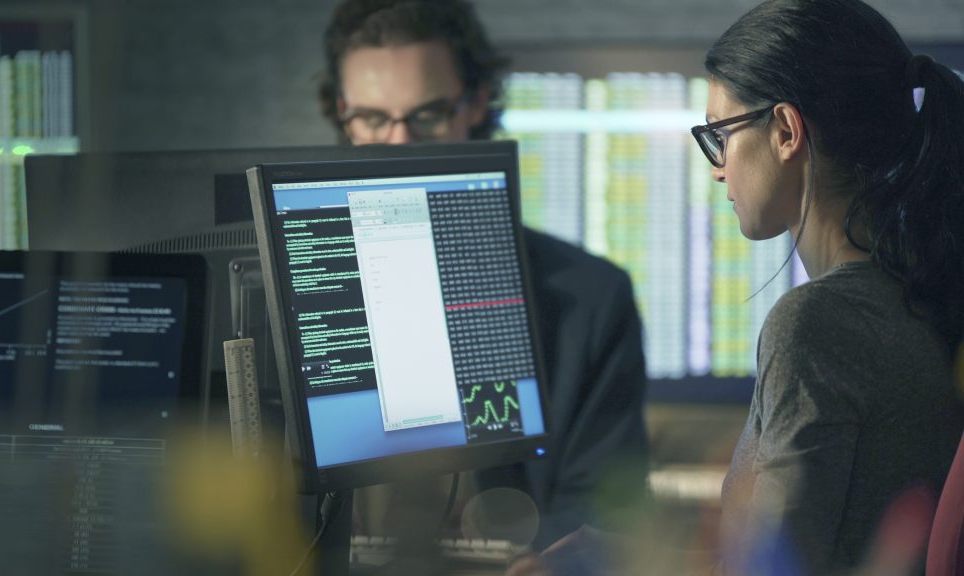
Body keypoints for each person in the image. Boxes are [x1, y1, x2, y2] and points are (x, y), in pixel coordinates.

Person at [512, 0, 964, 574]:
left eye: (720, 134)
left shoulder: (816, 326)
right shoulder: (918, 292)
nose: (718, 167)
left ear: (784, 131)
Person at [317, 0, 650, 549]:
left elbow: (603, 519)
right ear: (341, 113)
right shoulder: (296, 279)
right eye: (373, 118)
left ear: (475, 104)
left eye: (426, 116)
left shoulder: (591, 299)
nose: (399, 145)